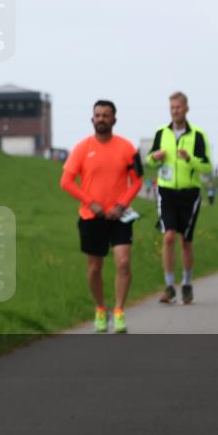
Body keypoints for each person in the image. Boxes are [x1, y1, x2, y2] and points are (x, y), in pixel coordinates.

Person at [61, 100, 144, 333]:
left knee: (124, 262)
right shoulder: (82, 148)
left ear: (114, 120)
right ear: (92, 119)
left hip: (119, 216)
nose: (101, 119)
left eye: (106, 115)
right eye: (97, 115)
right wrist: (90, 202)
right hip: (91, 216)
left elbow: (137, 181)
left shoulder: (127, 148)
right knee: (94, 267)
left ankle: (118, 311)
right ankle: (100, 308)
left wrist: (122, 204)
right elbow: (66, 181)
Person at [146, 91, 212, 304]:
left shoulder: (197, 135)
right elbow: (150, 161)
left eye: (179, 107)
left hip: (189, 192)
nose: (175, 111)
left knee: (185, 241)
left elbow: (207, 166)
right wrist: (154, 158)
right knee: (168, 237)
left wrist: (190, 159)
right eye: (172, 107)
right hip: (166, 191)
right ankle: (169, 285)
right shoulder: (161, 133)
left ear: (186, 108)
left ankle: (186, 283)